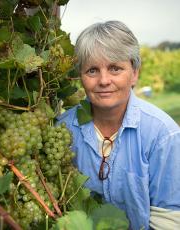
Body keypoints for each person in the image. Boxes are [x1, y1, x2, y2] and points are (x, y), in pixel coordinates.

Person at [57, 20, 180, 229]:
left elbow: (168, 220)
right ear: (81, 76)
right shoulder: (62, 130)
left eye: (115, 68)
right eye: (92, 70)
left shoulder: (162, 134)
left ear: (134, 73)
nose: (104, 80)